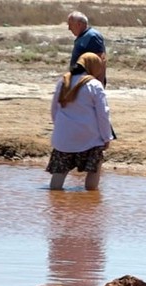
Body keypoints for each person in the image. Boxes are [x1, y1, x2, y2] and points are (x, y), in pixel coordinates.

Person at [47, 52, 114, 191]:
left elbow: (54, 110)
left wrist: (61, 128)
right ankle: (91, 200)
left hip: (64, 138)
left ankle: (56, 206)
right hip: (89, 138)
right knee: (94, 168)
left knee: (59, 174)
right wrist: (107, 137)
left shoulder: (63, 81)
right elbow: (103, 114)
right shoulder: (94, 85)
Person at [67, 11, 106, 84]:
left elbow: (101, 61)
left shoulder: (92, 36)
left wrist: (98, 84)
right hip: (79, 82)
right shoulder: (83, 36)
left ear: (79, 24)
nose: (69, 28)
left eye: (70, 25)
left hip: (88, 84)